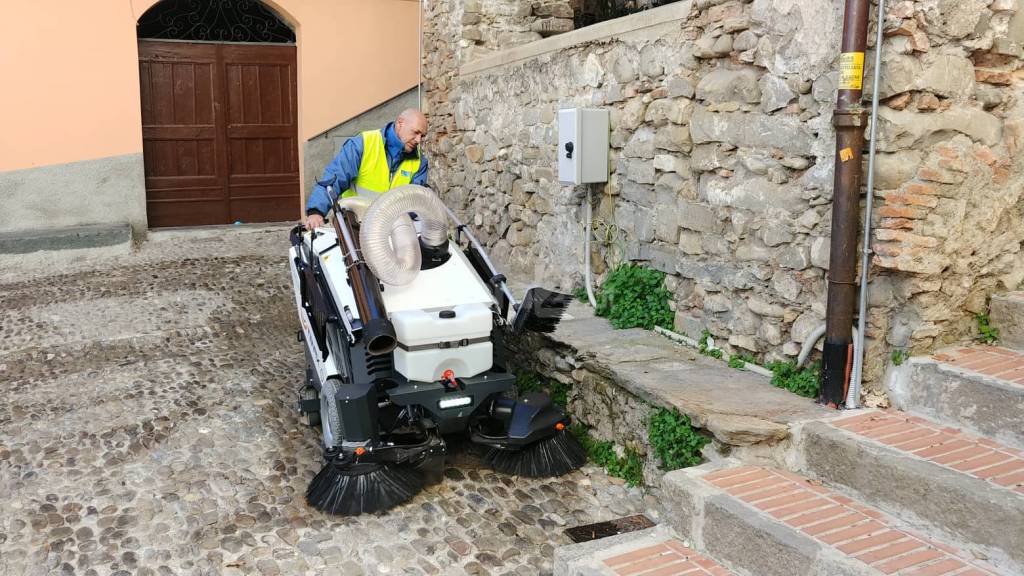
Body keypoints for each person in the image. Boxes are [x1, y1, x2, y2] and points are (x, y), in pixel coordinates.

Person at [305, 109, 429, 230]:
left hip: (394, 232)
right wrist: (316, 211)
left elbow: (415, 203)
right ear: (400, 123)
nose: (419, 140)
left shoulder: (419, 162)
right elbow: (334, 178)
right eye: (415, 132)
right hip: (355, 227)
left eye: (422, 136)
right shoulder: (362, 144)